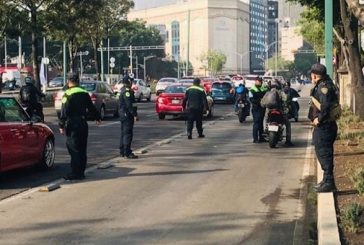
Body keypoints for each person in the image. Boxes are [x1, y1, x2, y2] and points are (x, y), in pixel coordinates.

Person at [59, 73, 101, 180]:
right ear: (78, 81)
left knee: (73, 148)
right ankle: (81, 172)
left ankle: (75, 173)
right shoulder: (84, 92)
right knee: (82, 148)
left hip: (72, 124)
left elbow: (64, 111)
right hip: (83, 123)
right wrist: (97, 117)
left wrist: (61, 125)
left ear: (68, 81)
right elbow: (91, 107)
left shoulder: (68, 93)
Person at [308, 63, 340, 193]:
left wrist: (318, 119)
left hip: (325, 126)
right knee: (323, 152)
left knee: (324, 153)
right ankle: (326, 180)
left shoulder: (323, 87)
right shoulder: (325, 84)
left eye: (312, 75)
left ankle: (328, 182)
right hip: (326, 126)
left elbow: (325, 107)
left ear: (315, 76)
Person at [261, 80, 293, 146]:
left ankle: (264, 129)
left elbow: (262, 103)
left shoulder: (267, 93)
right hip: (279, 110)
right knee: (288, 124)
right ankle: (288, 140)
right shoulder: (280, 92)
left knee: (265, 118)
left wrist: (265, 106)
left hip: (269, 111)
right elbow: (286, 99)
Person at [119, 75, 139, 159]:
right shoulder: (127, 92)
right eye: (131, 81)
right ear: (129, 82)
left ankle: (123, 150)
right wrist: (134, 114)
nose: (132, 83)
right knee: (128, 133)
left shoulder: (123, 90)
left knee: (124, 133)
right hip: (127, 115)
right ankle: (127, 151)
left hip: (123, 115)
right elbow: (129, 105)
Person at [249, 76, 268, 143]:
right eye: (259, 81)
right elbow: (251, 99)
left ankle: (261, 137)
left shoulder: (263, 88)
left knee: (261, 123)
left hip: (262, 108)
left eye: (261, 81)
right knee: (256, 123)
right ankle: (255, 138)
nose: (260, 82)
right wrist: (259, 101)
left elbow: (267, 93)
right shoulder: (252, 89)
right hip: (256, 108)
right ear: (256, 81)